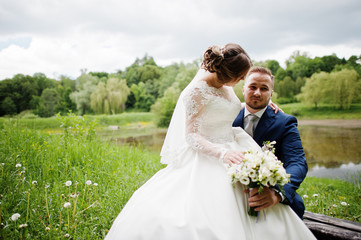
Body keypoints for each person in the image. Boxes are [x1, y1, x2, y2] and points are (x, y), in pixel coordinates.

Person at [105, 44, 315, 239]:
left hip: (234, 144)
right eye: (242, 78)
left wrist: (266, 104)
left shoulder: (227, 88)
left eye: (263, 88)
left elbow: (224, 108)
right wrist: (222, 153)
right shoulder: (196, 91)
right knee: (208, 210)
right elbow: (191, 135)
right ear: (228, 75)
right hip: (209, 154)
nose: (243, 81)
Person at [233, 66, 308, 219]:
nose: (257, 93)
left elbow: (297, 162)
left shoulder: (285, 122)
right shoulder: (228, 117)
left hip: (267, 193)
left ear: (271, 93)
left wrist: (277, 194)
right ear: (243, 89)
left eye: (264, 88)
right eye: (252, 87)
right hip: (230, 193)